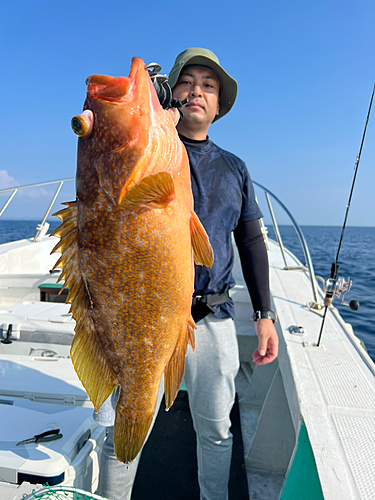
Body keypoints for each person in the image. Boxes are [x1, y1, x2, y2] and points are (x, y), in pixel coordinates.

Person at [95, 47, 278, 500]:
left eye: (209, 85)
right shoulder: (145, 148)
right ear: (170, 96)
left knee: (216, 429)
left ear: (219, 106)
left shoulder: (235, 168)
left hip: (211, 318)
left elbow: (251, 241)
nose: (197, 90)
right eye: (187, 81)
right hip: (146, 317)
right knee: (126, 422)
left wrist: (264, 313)